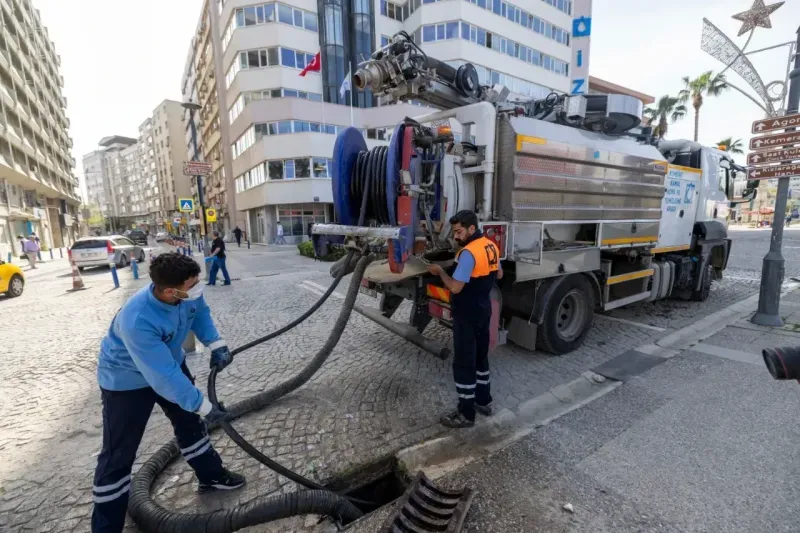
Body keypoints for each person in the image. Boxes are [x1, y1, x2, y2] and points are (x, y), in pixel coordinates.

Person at [91, 253, 243, 533]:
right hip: (125, 381)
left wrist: (216, 343)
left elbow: (199, 314)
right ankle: (106, 527)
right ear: (170, 290)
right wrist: (205, 406)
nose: (199, 287)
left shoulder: (186, 294)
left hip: (168, 363)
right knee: (118, 454)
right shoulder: (138, 319)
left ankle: (211, 477)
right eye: (193, 284)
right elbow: (163, 378)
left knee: (190, 424)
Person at [427, 210, 502, 428]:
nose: (456, 237)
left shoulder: (468, 253)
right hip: (483, 309)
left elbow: (455, 287)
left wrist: (440, 271)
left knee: (463, 361)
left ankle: (466, 413)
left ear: (471, 228)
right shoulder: (491, 246)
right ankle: (483, 401)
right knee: (480, 357)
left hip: (466, 313)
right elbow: (499, 275)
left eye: (459, 232)